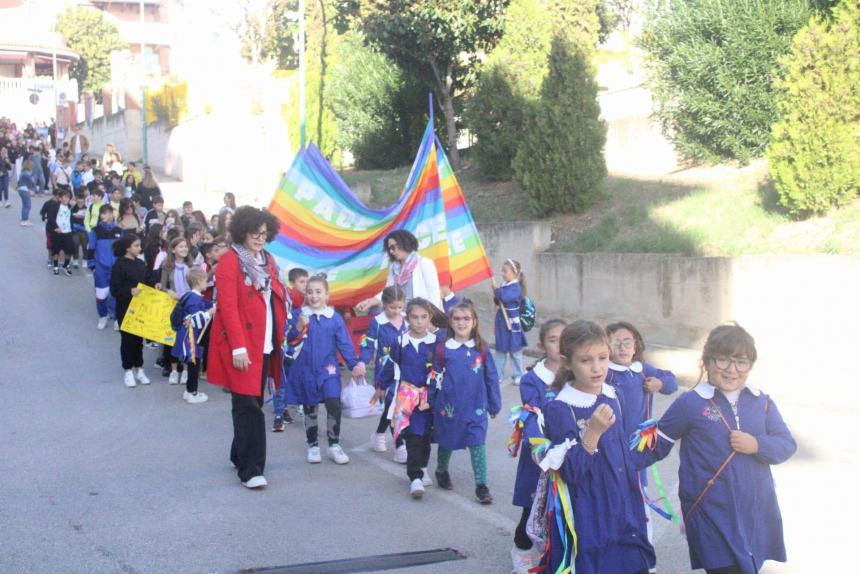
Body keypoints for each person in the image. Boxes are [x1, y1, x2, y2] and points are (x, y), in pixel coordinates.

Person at [634, 323, 796, 574]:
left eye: (741, 362)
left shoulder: (761, 401)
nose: (732, 370)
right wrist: (612, 462)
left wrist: (757, 444)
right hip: (710, 513)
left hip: (755, 512)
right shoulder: (690, 402)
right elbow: (654, 447)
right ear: (707, 361)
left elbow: (786, 444)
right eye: (723, 360)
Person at [537, 320, 655, 574]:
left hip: (624, 504)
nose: (597, 367)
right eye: (586, 360)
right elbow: (571, 472)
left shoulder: (613, 394)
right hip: (591, 512)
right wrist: (592, 433)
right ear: (567, 362)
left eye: (602, 358)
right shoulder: (561, 407)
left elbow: (625, 455)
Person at [207, 206, 287, 489]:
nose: (260, 238)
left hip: (265, 342)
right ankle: (251, 469)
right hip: (242, 345)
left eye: (265, 234)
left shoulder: (269, 260)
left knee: (250, 401)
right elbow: (228, 306)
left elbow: (275, 295)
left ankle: (238, 453)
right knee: (248, 405)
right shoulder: (230, 261)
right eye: (255, 233)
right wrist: (238, 348)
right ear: (243, 232)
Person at [606, 320, 678, 553]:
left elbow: (671, 382)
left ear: (636, 346)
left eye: (627, 341)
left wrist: (660, 383)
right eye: (616, 342)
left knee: (638, 495)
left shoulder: (643, 369)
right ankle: (610, 545)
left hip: (638, 450)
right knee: (610, 497)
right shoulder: (604, 371)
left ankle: (642, 550)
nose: (622, 347)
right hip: (608, 449)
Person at [284, 274, 366, 464]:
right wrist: (297, 326)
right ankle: (313, 445)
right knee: (310, 407)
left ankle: (334, 444)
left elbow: (344, 343)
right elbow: (288, 339)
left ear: (327, 295)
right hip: (306, 370)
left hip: (328, 370)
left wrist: (353, 364)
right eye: (310, 292)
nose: (314, 296)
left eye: (318, 292)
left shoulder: (334, 318)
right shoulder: (299, 315)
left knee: (333, 404)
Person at [510, 318, 567, 574]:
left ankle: (556, 552)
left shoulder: (577, 372)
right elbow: (531, 415)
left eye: (565, 339)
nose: (561, 345)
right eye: (553, 340)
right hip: (541, 455)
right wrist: (540, 448)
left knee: (563, 508)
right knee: (533, 506)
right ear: (542, 346)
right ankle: (521, 549)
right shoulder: (533, 379)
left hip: (568, 454)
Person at [432, 302, 501, 504]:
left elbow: (491, 377)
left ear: (474, 322)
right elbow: (435, 378)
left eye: (466, 318)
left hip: (476, 408)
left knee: (477, 443)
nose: (461, 323)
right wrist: (431, 402)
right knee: (447, 441)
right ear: (450, 323)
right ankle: (441, 470)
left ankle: (482, 486)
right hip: (449, 407)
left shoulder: (482, 349)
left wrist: (494, 404)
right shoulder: (443, 350)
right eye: (457, 319)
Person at [377, 298, 442, 498]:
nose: (419, 322)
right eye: (415, 317)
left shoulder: (436, 344)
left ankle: (422, 467)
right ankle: (414, 477)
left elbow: (441, 371)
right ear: (408, 317)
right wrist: (381, 384)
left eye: (423, 317)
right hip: (407, 397)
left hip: (428, 397)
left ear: (430, 318)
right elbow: (391, 365)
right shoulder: (400, 342)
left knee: (425, 436)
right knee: (412, 435)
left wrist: (434, 395)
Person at [363, 285, 408, 456]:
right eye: (392, 307)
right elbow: (367, 344)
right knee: (392, 405)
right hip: (385, 372)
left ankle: (379, 433)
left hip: (404, 371)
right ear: (383, 304)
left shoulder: (407, 320)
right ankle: (400, 445)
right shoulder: (377, 322)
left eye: (399, 307)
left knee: (394, 406)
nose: (396, 311)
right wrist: (362, 362)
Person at [355, 230, 442, 311]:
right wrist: (370, 302)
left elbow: (434, 293)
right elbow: (389, 291)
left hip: (421, 316)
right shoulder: (394, 267)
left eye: (393, 247)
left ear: (404, 243)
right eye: (389, 249)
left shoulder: (424, 263)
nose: (391, 252)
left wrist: (429, 317)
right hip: (400, 314)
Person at [109, 234, 152, 388]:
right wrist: (129, 291)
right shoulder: (119, 265)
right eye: (136, 246)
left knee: (138, 340)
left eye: (139, 245)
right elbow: (114, 289)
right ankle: (128, 370)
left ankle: (139, 369)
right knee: (127, 340)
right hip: (125, 308)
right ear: (127, 248)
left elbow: (147, 281)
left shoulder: (141, 263)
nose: (139, 248)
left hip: (140, 308)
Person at [271, 267, 309, 431]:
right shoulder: (289, 301)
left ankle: (300, 405)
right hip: (287, 348)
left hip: (301, 349)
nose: (305, 285)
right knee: (282, 381)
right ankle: (280, 412)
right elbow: (289, 331)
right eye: (302, 281)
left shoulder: (308, 300)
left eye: (307, 281)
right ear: (292, 283)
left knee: (300, 378)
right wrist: (298, 326)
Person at [171, 268, 216, 404]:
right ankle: (192, 392)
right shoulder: (194, 299)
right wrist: (211, 312)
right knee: (194, 364)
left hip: (186, 335)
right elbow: (196, 319)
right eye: (205, 281)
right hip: (190, 337)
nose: (207, 284)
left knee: (192, 363)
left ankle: (188, 391)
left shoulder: (188, 296)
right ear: (198, 281)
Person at [156, 237, 195, 384]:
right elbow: (163, 284)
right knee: (172, 338)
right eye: (180, 247)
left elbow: (197, 283)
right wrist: (167, 291)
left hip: (188, 304)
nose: (184, 249)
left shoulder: (191, 266)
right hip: (173, 305)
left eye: (186, 246)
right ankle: (173, 370)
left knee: (187, 338)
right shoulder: (167, 265)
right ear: (173, 250)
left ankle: (184, 370)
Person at [87, 204, 123, 330]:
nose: (106, 215)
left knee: (116, 295)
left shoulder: (119, 231)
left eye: (109, 213)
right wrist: (92, 266)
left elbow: (123, 251)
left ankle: (117, 318)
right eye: (103, 213)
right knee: (101, 295)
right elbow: (90, 249)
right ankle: (103, 316)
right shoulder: (95, 231)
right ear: (101, 215)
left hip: (116, 269)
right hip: (101, 268)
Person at [493, 259, 528, 385]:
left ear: (514, 272)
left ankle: (518, 374)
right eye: (502, 271)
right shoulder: (504, 286)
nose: (502, 273)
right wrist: (496, 294)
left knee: (515, 351)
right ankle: (497, 375)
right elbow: (499, 301)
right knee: (500, 351)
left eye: (505, 271)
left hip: (512, 324)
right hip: (502, 324)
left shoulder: (515, 287)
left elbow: (505, 297)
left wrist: (497, 291)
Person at [47, 189, 75, 276]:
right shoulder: (55, 206)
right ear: (60, 198)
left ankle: (66, 266)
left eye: (68, 197)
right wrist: (56, 227)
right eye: (65, 197)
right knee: (56, 251)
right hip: (58, 232)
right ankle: (55, 267)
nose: (67, 199)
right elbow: (50, 218)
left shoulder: (70, 207)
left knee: (69, 250)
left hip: (68, 232)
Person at [16, 158, 36, 227]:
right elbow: (31, 183)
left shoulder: (23, 172)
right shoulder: (27, 174)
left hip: (22, 190)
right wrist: (32, 190)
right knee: (27, 206)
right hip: (25, 190)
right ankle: (25, 220)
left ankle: (24, 219)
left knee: (25, 205)